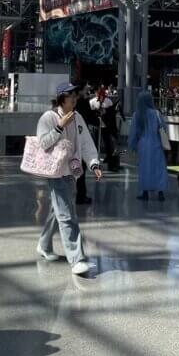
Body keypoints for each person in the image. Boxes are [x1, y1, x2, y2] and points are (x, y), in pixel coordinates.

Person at [35, 82, 102, 276]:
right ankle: (76, 259)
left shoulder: (78, 117)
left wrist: (94, 164)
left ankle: (44, 244)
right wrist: (59, 127)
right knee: (67, 215)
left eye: (75, 95)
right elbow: (43, 143)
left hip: (71, 172)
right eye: (72, 95)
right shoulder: (48, 118)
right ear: (62, 98)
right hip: (55, 172)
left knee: (59, 211)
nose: (76, 98)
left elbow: (86, 143)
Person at [128, 91, 169, 202]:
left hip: (143, 145)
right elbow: (163, 128)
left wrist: (132, 145)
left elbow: (133, 132)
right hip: (156, 144)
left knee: (144, 168)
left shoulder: (137, 114)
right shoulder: (156, 113)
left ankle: (145, 193)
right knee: (158, 167)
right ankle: (160, 193)